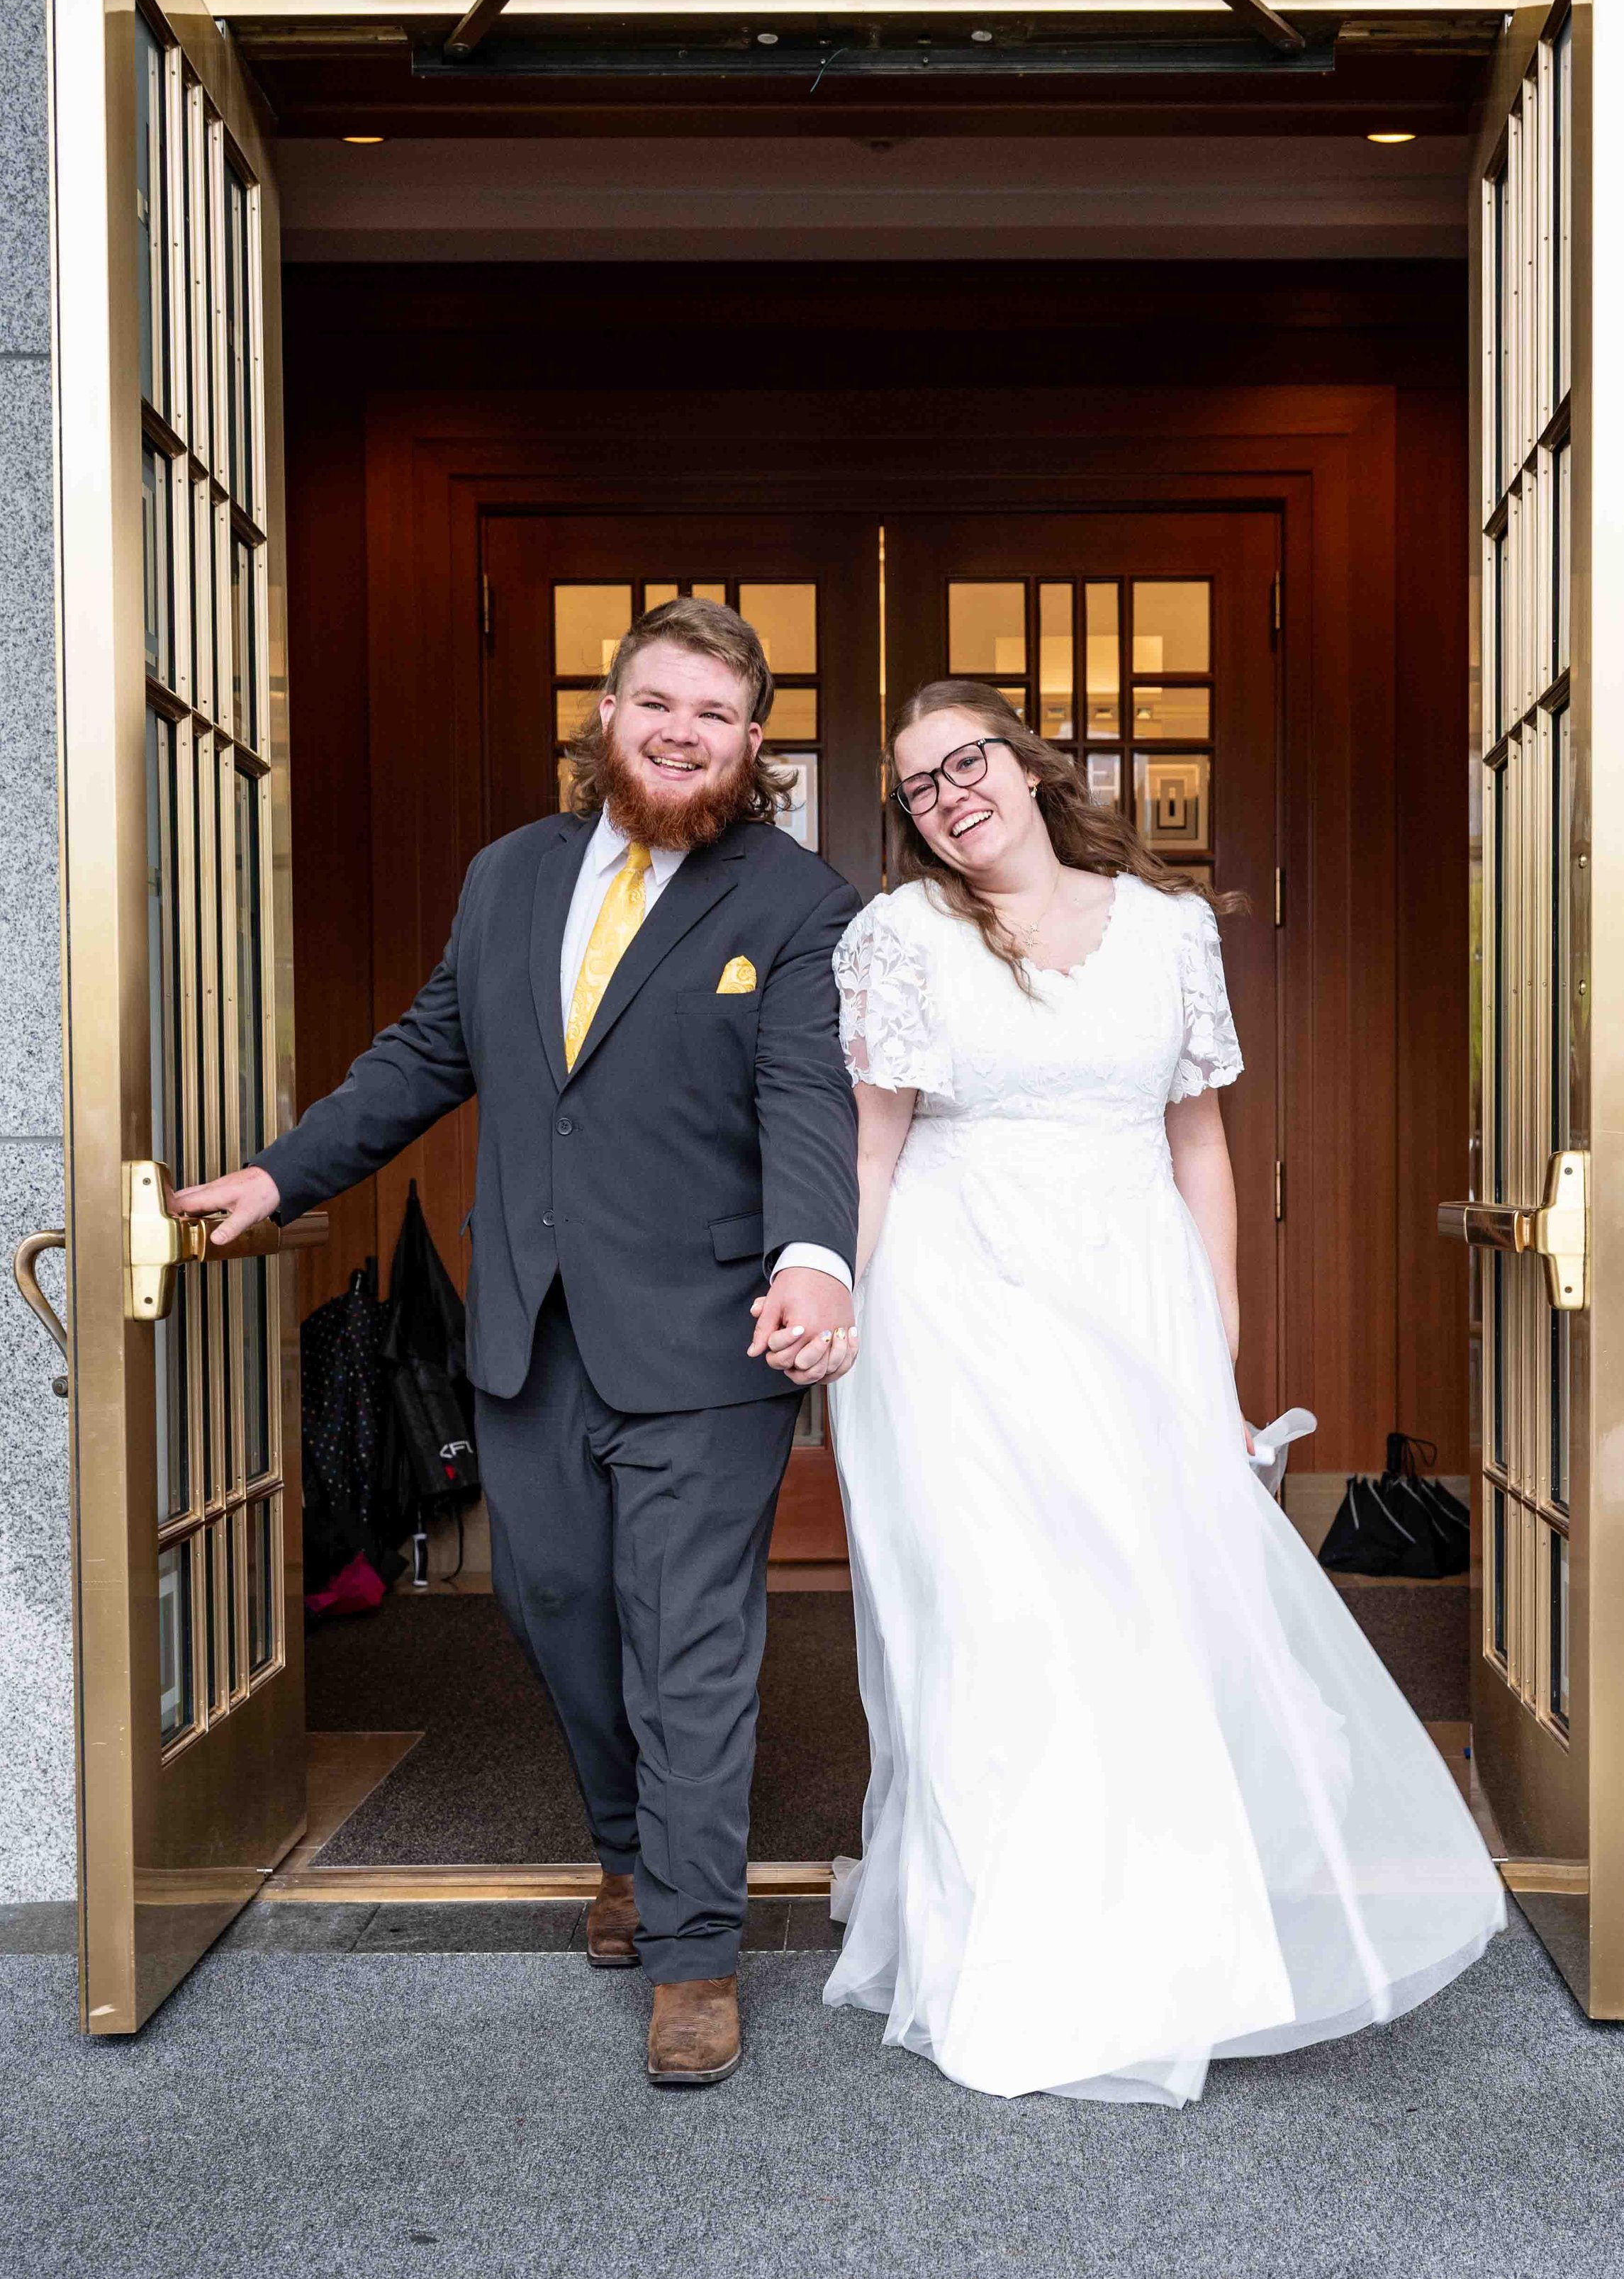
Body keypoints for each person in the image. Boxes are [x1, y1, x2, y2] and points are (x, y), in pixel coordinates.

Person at [175, 598, 862, 2086]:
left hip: (706, 1339)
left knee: (687, 1640)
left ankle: (693, 1949)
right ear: (608, 713)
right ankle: (627, 1849)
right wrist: (280, 1176)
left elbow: (808, 1094)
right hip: (530, 1330)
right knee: (556, 1607)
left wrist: (814, 1260)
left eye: (715, 714)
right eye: (656, 701)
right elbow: (429, 1052)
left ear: (753, 743)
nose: (680, 732)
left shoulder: (799, 901)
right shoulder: (508, 875)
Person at [814, 678, 1505, 2106]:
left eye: (967, 761)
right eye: (918, 786)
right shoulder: (899, 936)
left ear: (1027, 763)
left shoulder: (1170, 928)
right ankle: (1000, 1952)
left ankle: (1163, 1942)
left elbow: (1201, 1149)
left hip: (1129, 1295)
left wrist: (1214, 1346)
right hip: (951, 1304)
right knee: (998, 1615)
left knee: (1136, 1609)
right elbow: (873, 1151)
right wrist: (841, 1308)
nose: (948, 796)